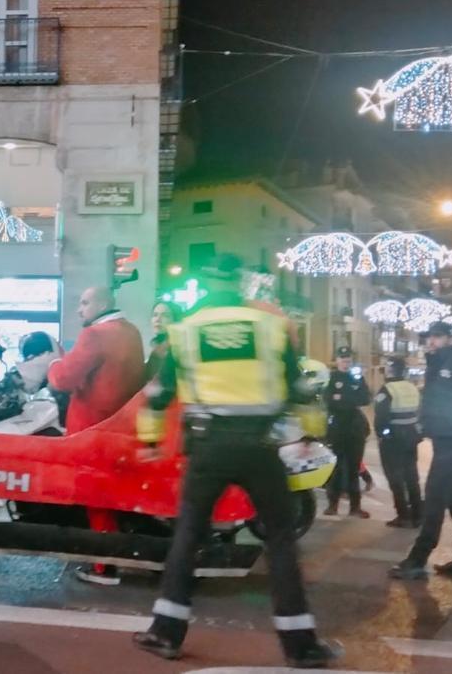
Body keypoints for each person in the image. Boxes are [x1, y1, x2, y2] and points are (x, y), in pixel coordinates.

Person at [132, 254, 341, 667]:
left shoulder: (186, 330)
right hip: (260, 447)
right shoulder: (270, 327)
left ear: (206, 284)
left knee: (189, 535)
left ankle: (165, 633)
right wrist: (312, 432)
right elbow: (301, 387)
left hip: (208, 447)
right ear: (240, 283)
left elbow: (157, 393)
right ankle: (301, 645)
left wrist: (152, 439)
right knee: (280, 539)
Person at [48, 285, 145, 586]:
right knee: (111, 492)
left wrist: (52, 362)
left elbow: (63, 379)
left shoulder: (95, 335)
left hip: (91, 428)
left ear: (102, 304)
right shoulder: (131, 332)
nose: (80, 309)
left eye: (84, 302)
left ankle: (104, 566)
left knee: (95, 495)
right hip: (122, 425)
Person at [390, 321, 452, 580]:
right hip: (445, 438)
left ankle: (418, 558)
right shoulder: (437, 364)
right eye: (429, 337)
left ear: (450, 338)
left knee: (434, 496)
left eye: (437, 337)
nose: (431, 341)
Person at [322, 347, 372, 518]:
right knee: (334, 469)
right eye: (343, 360)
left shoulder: (356, 378)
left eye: (348, 361)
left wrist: (343, 399)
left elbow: (365, 398)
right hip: (337, 429)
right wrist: (348, 400)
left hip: (354, 429)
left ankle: (355, 507)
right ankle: (332, 505)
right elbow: (327, 400)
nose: (345, 364)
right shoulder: (331, 377)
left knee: (353, 469)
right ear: (337, 361)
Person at [375, 356, 423, 528]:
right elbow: (420, 414)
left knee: (395, 478)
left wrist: (383, 435)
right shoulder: (413, 388)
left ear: (389, 370)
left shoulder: (387, 389)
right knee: (411, 477)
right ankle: (418, 514)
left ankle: (403, 515)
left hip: (393, 440)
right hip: (411, 438)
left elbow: (381, 417)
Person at [145, 300, 182, 381]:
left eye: (165, 315)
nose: (158, 319)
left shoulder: (175, 349)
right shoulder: (157, 346)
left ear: (175, 320)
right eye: (155, 315)